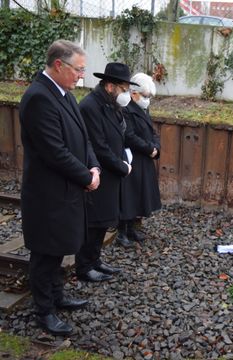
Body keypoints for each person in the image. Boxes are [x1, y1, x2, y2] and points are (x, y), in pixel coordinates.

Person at [19, 39, 100, 336]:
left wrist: (94, 167)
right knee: (45, 253)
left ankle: (58, 296)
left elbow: (83, 137)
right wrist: (86, 177)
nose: (82, 75)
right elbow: (54, 151)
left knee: (58, 249)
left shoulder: (64, 93)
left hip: (67, 188)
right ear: (58, 65)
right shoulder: (38, 98)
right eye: (78, 69)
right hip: (47, 195)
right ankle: (44, 311)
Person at [75, 62, 137, 282]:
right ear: (110, 86)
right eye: (123, 88)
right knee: (94, 222)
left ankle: (95, 260)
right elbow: (98, 146)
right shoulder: (91, 106)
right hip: (99, 172)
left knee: (103, 222)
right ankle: (84, 266)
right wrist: (121, 166)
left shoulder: (110, 104)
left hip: (111, 173)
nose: (126, 93)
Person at [117, 73, 161, 244]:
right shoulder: (126, 109)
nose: (147, 100)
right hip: (132, 157)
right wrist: (150, 148)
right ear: (134, 93)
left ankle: (132, 229)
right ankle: (122, 232)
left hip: (144, 158)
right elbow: (129, 135)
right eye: (145, 96)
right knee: (128, 196)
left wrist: (156, 147)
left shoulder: (143, 108)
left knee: (139, 195)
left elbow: (152, 131)